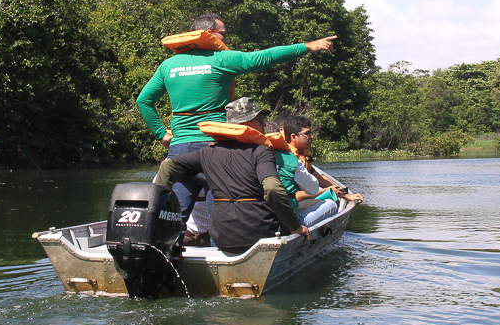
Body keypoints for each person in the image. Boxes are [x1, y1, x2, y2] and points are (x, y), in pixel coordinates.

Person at [137, 13, 337, 239]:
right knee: (222, 210)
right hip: (215, 149)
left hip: (180, 148)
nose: (227, 40)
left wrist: (161, 134)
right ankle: (221, 256)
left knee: (174, 215)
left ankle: (168, 257)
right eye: (224, 34)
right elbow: (265, 57)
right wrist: (307, 46)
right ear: (211, 34)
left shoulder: (168, 65)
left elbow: (143, 101)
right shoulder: (220, 59)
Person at [155, 98, 309, 255]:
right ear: (247, 123)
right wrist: (295, 226)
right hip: (259, 233)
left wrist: (157, 206)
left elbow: (167, 167)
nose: (263, 125)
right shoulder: (261, 152)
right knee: (295, 226)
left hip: (222, 235)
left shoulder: (208, 152)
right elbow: (273, 189)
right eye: (259, 120)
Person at [281, 115, 364, 218]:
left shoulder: (301, 156)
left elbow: (320, 179)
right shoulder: (286, 160)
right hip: (287, 205)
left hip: (298, 200)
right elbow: (292, 196)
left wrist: (345, 195)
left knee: (333, 198)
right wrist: (325, 191)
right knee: (332, 202)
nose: (312, 136)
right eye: (307, 133)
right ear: (294, 137)